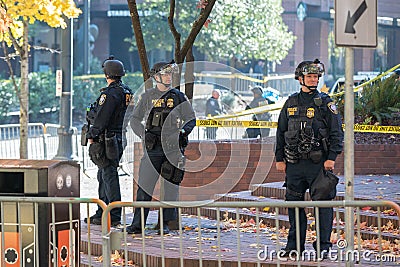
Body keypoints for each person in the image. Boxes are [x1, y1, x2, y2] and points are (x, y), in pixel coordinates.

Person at [275, 59, 344, 258]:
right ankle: (294, 246)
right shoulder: (291, 102)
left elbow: (336, 133)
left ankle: (323, 247)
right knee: (294, 206)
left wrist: (331, 158)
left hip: (318, 165)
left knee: (322, 207)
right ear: (300, 78)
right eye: (310, 77)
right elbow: (281, 132)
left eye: (316, 77)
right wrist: (279, 158)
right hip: (295, 165)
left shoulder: (326, 103)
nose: (313, 80)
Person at [126, 61, 196, 235]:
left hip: (172, 148)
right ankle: (137, 225)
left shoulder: (178, 96)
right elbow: (134, 120)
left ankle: (165, 224)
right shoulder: (148, 96)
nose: (169, 77)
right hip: (153, 148)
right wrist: (143, 134)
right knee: (144, 188)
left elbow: (191, 119)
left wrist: (182, 133)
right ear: (156, 76)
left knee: (170, 188)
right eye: (165, 74)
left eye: (170, 74)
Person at [83, 56, 133, 226]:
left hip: (107, 138)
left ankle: (113, 214)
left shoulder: (110, 94)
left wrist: (92, 134)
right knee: (103, 174)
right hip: (118, 137)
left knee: (109, 175)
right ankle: (102, 211)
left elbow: (102, 117)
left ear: (107, 73)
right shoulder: (127, 92)